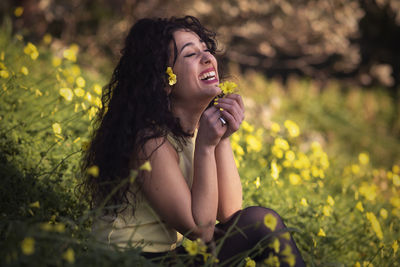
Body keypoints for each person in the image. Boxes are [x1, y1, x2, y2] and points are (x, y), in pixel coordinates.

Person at [81, 16, 305, 266]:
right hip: (128, 261)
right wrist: (207, 147)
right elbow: (201, 231)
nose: (208, 58)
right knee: (260, 222)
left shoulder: (193, 133)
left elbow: (229, 213)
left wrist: (222, 139)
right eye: (190, 55)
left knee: (256, 223)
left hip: (164, 259)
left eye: (206, 50)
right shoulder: (150, 142)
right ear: (165, 81)